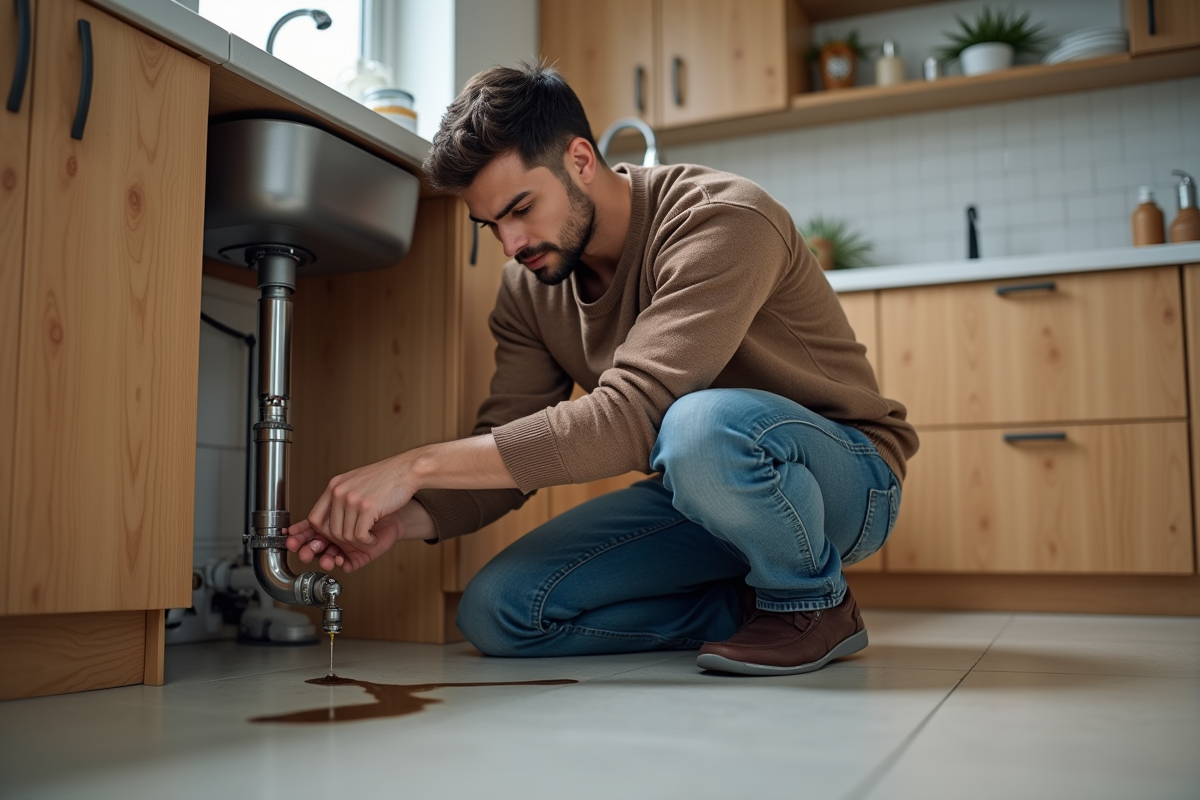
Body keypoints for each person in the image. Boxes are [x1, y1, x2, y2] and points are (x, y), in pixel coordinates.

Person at [285, 62, 918, 676]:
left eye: (521, 208)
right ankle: (751, 609)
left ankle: (811, 604)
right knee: (499, 613)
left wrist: (413, 464)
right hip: (699, 488)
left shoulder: (721, 218)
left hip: (844, 479)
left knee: (697, 423)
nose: (511, 244)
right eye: (490, 225)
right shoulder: (528, 289)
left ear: (581, 161)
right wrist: (403, 520)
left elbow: (635, 417)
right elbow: (509, 448)